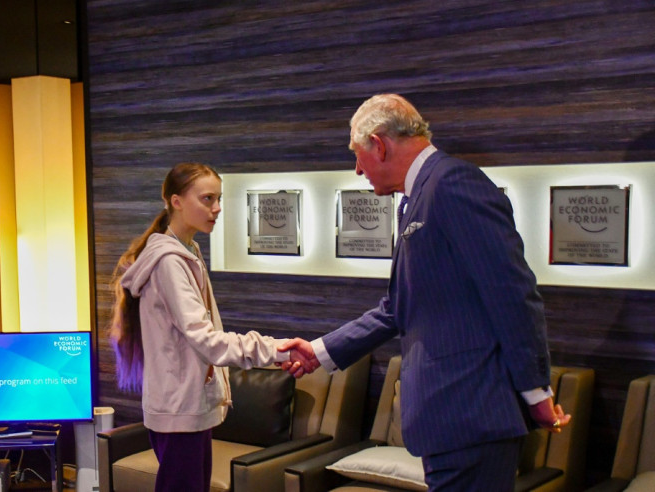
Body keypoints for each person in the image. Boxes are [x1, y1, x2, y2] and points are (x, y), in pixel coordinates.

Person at [279, 94, 571, 491]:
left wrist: (536, 392)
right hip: (447, 422)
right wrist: (321, 351)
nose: (357, 168)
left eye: (357, 154)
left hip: (470, 415)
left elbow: (514, 294)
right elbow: (396, 308)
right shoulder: (415, 199)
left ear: (378, 144)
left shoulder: (452, 183)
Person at [109, 162, 290, 492]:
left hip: (187, 407)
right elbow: (207, 340)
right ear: (176, 201)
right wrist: (274, 349)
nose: (217, 208)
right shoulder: (169, 262)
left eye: (219, 199)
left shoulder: (187, 251)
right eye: (207, 199)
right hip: (181, 410)